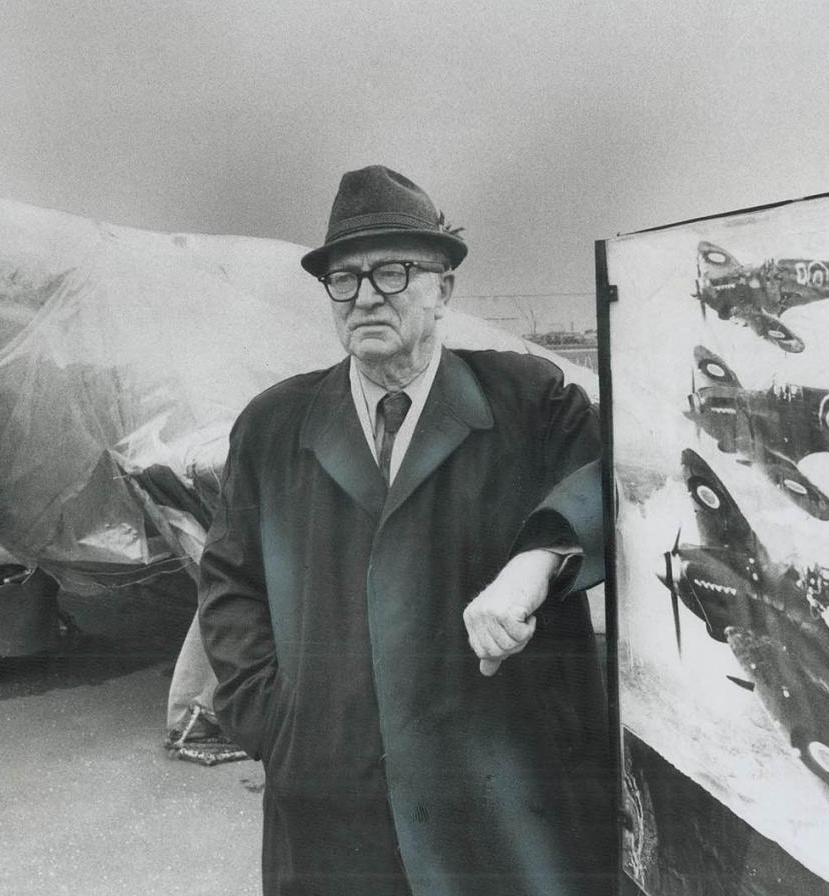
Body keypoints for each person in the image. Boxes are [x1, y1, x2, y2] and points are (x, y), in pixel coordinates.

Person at [198, 165, 615, 895]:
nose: (363, 296)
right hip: (331, 795)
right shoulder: (273, 425)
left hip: (498, 787)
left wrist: (532, 565)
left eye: (391, 273)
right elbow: (229, 583)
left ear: (443, 288)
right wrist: (274, 720)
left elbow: (612, 482)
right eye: (343, 278)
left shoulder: (529, 400)